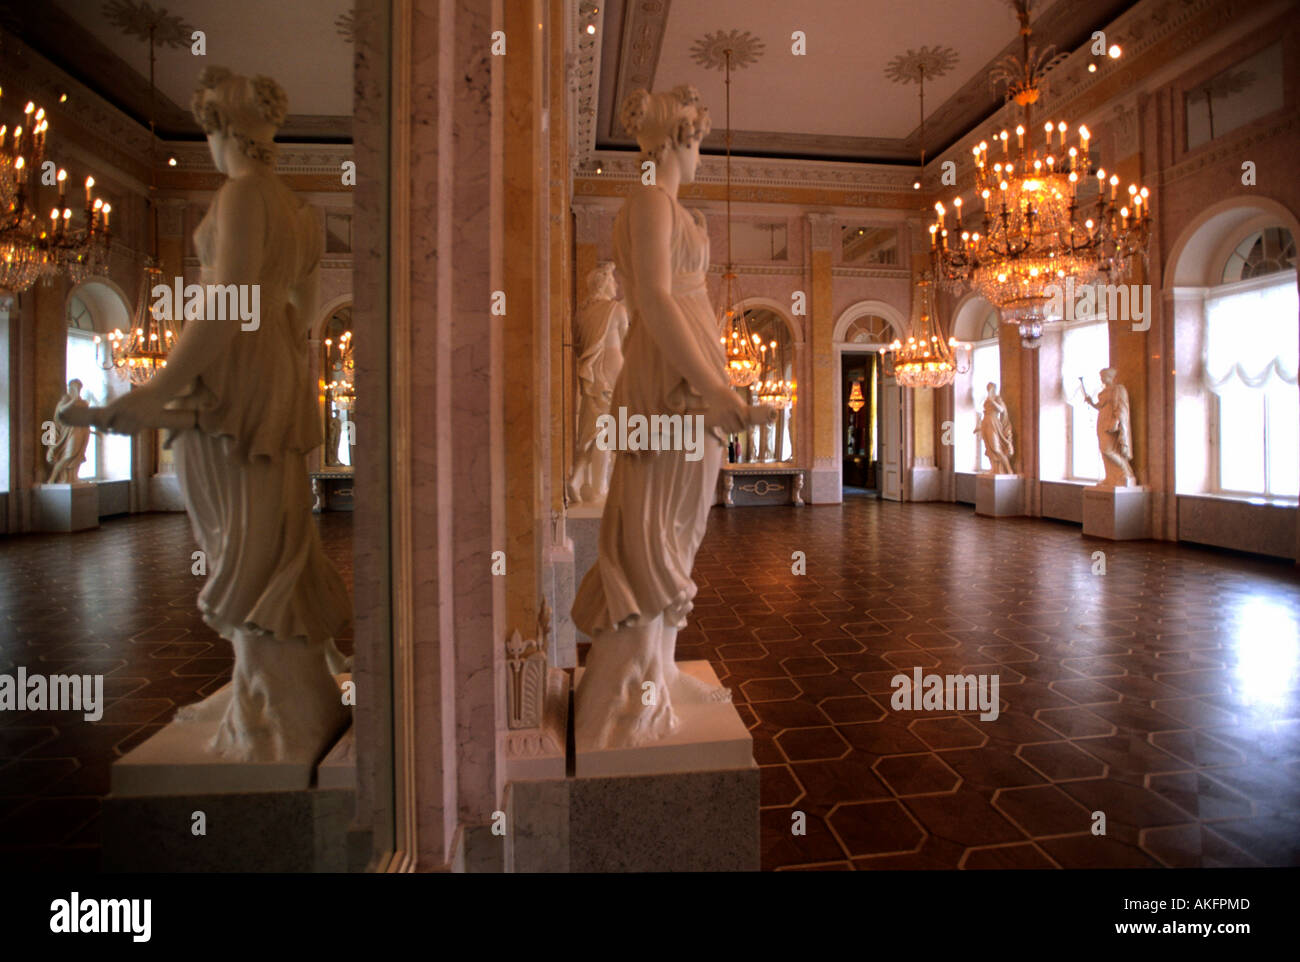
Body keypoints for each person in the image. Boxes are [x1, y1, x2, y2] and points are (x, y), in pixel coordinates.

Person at [64, 67, 350, 764]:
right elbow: (299, 311)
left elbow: (227, 302)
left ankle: (272, 706)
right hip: (270, 376)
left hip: (237, 389)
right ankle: (270, 688)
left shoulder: (245, 195)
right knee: (267, 531)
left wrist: (158, 386)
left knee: (243, 540)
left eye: (210, 133)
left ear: (223, 132)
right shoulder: (301, 211)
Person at [572, 85, 774, 750]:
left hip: (690, 381)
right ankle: (633, 685)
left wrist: (716, 384)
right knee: (652, 525)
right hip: (666, 383)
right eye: (694, 139)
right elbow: (655, 299)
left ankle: (658, 666)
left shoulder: (676, 209)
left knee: (680, 529)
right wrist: (710, 386)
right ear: (672, 141)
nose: (699, 153)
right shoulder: (649, 201)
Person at [567, 263, 628, 504]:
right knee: (606, 434)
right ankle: (597, 489)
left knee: (592, 430)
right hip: (613, 371)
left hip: (591, 374)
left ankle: (577, 477)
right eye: (613, 281)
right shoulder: (616, 309)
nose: (616, 284)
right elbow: (627, 342)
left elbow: (579, 347)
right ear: (604, 284)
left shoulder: (582, 314)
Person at [1081, 367, 1137, 486]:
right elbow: (1100, 406)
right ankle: (1110, 476)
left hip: (1111, 422)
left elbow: (1122, 406)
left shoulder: (1118, 389)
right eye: (1101, 377)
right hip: (1102, 421)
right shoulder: (1103, 392)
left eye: (1103, 376)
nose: (1101, 379)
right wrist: (1091, 402)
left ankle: (1125, 472)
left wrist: (1117, 421)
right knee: (1103, 450)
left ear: (1110, 376)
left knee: (1109, 450)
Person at [46, 380, 94, 483]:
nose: (78, 390)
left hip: (82, 430)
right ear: (71, 387)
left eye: (79, 388)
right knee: (69, 454)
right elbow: (61, 411)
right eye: (76, 387)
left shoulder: (82, 402)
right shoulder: (66, 399)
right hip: (71, 431)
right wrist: (74, 400)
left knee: (78, 455)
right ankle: (53, 478)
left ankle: (73, 477)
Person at [977, 382, 1015, 474]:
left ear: (994, 388)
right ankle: (994, 468)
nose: (988, 389)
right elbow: (983, 413)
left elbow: (1001, 410)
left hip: (993, 423)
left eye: (990, 387)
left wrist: (992, 402)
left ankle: (1008, 469)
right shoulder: (987, 399)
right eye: (988, 388)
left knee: (996, 448)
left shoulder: (997, 399)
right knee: (989, 448)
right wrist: (979, 425)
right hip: (986, 422)